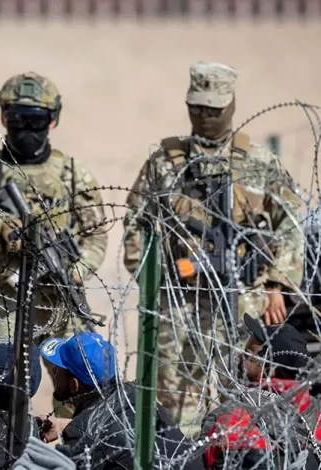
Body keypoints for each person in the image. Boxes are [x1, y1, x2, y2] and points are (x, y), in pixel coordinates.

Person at [122, 61, 305, 434]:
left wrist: (277, 285)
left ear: (231, 106)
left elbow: (289, 222)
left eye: (213, 110)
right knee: (174, 408)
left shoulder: (257, 163)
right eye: (196, 109)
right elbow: (135, 224)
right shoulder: (165, 164)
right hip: (181, 307)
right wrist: (159, 278)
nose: (204, 117)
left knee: (241, 403)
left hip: (244, 305)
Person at [0, 72, 108, 418]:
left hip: (61, 300)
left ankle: (78, 445)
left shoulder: (72, 174)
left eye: (37, 121)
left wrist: (75, 272)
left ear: (53, 120)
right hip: (5, 302)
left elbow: (97, 234)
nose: (27, 130)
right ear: (4, 117)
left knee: (88, 386)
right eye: (18, 120)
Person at [38, 333, 205, 470]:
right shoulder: (135, 395)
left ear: (74, 385)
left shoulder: (84, 440)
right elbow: (116, 429)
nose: (53, 371)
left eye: (58, 370)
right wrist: (68, 426)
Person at [201, 316, 321, 469]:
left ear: (269, 367)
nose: (239, 358)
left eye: (248, 353)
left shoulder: (232, 421)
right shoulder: (316, 413)